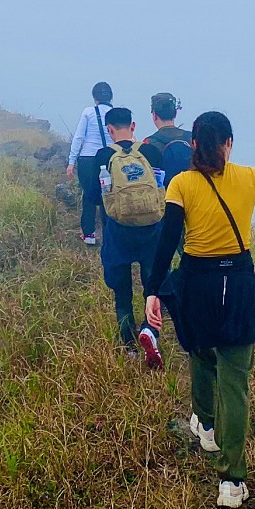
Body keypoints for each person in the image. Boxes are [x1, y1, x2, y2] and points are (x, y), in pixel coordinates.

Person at [144, 111, 255, 509]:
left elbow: (167, 243)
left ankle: (207, 425)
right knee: (234, 382)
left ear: (195, 144)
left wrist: (152, 292)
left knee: (200, 349)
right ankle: (232, 482)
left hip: (196, 286)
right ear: (228, 143)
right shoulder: (250, 177)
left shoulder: (181, 184)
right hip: (238, 287)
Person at [93, 107, 166, 367]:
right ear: (133, 126)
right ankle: (150, 333)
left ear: (109, 130)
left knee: (122, 292)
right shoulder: (151, 152)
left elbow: (93, 196)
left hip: (118, 232)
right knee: (152, 288)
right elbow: (161, 191)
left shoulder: (102, 157)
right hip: (151, 232)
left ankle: (129, 346)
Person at [65, 82, 114, 246]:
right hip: (108, 158)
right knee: (109, 196)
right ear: (111, 97)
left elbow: (79, 137)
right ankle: (109, 236)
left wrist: (71, 161)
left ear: (95, 98)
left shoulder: (88, 112)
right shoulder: (115, 114)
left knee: (88, 196)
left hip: (87, 159)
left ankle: (89, 235)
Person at [140, 92, 193, 185]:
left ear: (154, 115)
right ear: (175, 113)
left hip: (166, 195)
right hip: (192, 191)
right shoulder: (192, 138)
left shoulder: (148, 143)